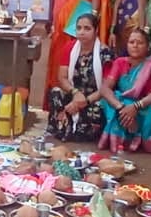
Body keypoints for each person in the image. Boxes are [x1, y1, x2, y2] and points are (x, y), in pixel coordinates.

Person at [98, 27, 151, 154]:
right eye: (131, 42)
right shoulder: (120, 62)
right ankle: (127, 137)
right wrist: (121, 108)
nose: (135, 45)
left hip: (146, 107)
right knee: (112, 98)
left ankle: (144, 138)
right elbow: (105, 88)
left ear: (148, 46)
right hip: (124, 108)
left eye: (140, 43)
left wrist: (136, 106)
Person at [46, 12, 111, 142]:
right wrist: (75, 93)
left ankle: (68, 128)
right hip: (74, 94)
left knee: (96, 112)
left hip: (93, 99)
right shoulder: (70, 48)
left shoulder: (105, 53)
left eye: (87, 28)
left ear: (96, 31)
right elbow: (62, 77)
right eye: (79, 28)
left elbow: (106, 87)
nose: (82, 32)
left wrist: (84, 101)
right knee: (55, 92)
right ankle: (66, 126)